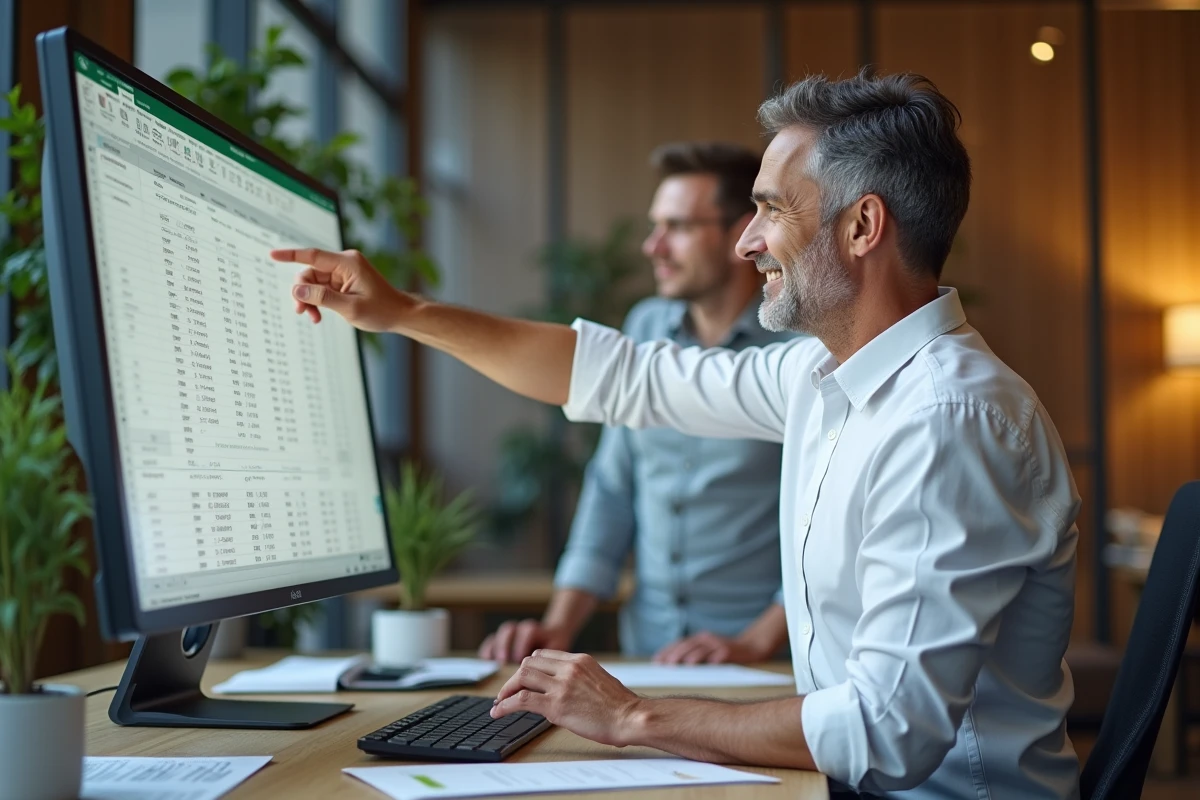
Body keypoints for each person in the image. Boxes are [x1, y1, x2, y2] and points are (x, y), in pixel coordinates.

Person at [273, 71, 1080, 798]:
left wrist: (632, 718)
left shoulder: (947, 420)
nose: (746, 242)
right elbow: (621, 376)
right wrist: (401, 314)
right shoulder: (821, 380)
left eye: (771, 209)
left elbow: (885, 734)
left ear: (863, 225)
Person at [478, 142, 794, 666]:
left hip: (764, 663)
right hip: (647, 657)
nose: (653, 247)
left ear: (742, 234)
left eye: (679, 227)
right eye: (655, 225)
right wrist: (558, 627)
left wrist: (759, 640)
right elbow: (611, 487)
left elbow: (830, 521)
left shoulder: (799, 347)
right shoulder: (645, 326)